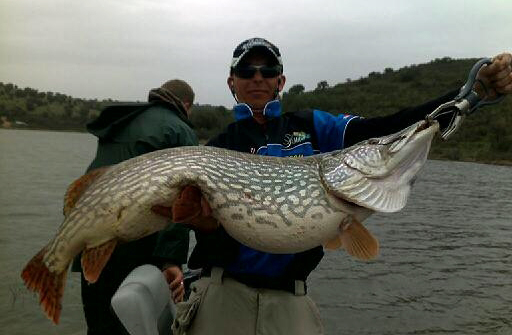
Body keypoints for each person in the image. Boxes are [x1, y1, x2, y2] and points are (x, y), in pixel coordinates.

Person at [171, 38, 512, 335]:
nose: (257, 78)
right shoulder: (217, 149)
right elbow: (198, 232)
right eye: (247, 72)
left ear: (281, 80)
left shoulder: (312, 126)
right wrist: (195, 234)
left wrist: (469, 96)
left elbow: (387, 130)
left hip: (291, 299)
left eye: (267, 70)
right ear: (232, 82)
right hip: (222, 293)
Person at [72, 79, 198, 334]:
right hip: (137, 244)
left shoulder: (124, 121)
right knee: (131, 323)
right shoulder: (179, 129)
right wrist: (171, 259)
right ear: (186, 105)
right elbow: (180, 203)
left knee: (99, 325)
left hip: (92, 238)